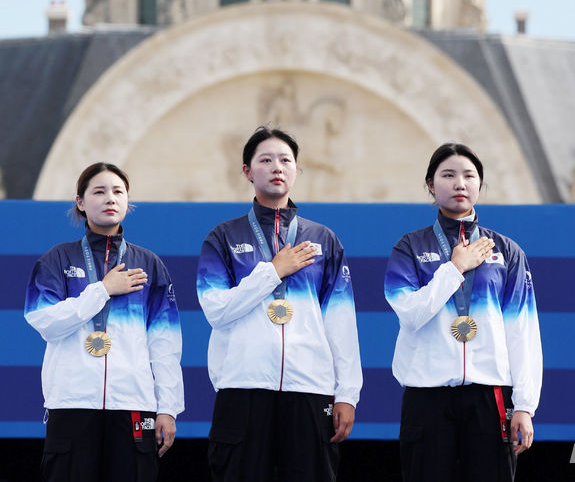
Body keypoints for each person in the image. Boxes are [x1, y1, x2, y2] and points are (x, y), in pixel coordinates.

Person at [197, 126, 362, 482]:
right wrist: (272, 272)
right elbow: (216, 310)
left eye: (286, 160)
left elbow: (341, 322)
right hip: (242, 386)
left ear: (297, 170)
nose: (277, 167)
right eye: (266, 160)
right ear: (247, 171)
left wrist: (347, 393)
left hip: (309, 388)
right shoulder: (223, 237)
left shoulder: (323, 240)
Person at [384, 143, 542, 482]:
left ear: (480, 185)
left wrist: (525, 406)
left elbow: (523, 332)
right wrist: (455, 267)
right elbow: (411, 314)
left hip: (489, 394)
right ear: (430, 184)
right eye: (448, 175)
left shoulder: (507, 251)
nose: (460, 183)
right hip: (427, 393)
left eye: (469, 176)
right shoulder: (409, 247)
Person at [24, 162, 184, 482]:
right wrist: (103, 290)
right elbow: (45, 322)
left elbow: (165, 344)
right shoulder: (57, 260)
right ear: (81, 202)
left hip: (135, 405)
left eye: (118, 191)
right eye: (99, 191)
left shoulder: (149, 264)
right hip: (71, 404)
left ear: (128, 202)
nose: (110, 198)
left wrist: (167, 408)